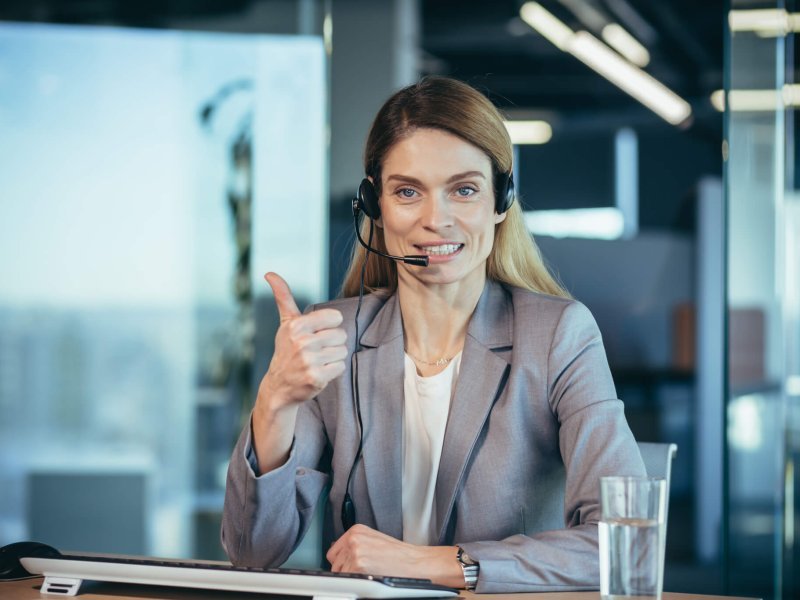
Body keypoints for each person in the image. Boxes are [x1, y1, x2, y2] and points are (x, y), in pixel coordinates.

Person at [221, 76, 646, 593]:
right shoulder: (333, 337)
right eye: (407, 192)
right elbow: (252, 554)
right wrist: (275, 400)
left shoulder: (558, 335)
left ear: (500, 200)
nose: (434, 220)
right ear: (374, 207)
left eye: (463, 190)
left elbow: (627, 543)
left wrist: (439, 563)